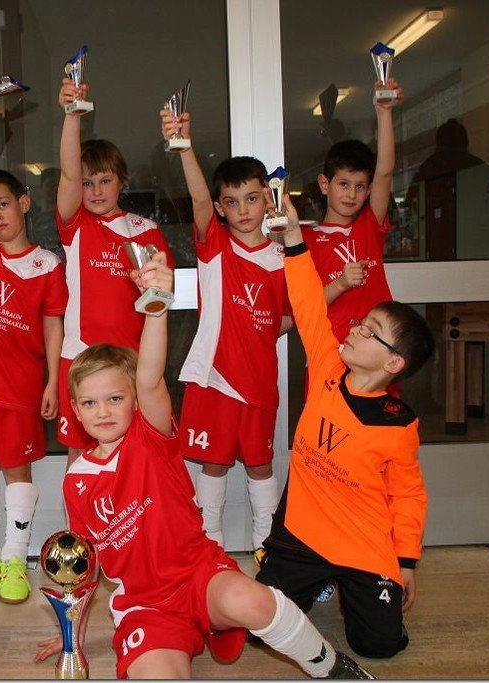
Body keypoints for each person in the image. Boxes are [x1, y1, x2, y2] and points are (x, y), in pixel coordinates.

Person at [36, 252, 372, 680]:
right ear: (75, 411)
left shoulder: (149, 437)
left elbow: (150, 376)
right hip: (146, 607)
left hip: (200, 576)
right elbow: (86, 566)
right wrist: (74, 633)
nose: (102, 411)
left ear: (134, 401)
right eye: (89, 403)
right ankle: (188, 638)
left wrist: (156, 306)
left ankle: (329, 666)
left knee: (252, 601)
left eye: (115, 398)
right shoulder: (76, 483)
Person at [256, 193, 433, 660]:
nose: (355, 329)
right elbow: (308, 304)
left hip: (363, 543)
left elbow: (408, 495)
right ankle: (312, 580)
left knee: (379, 645)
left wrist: (405, 562)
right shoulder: (327, 366)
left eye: (370, 331)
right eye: (361, 323)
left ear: (393, 363)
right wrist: (294, 237)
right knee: (260, 627)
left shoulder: (400, 424)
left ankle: (349, 585)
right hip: (301, 532)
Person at [160, 108, 293, 554]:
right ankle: (210, 547)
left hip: (259, 383)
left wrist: (261, 330)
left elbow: (290, 316)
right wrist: (184, 146)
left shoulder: (283, 257)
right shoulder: (214, 246)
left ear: (268, 200)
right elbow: (198, 200)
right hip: (214, 379)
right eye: (231, 202)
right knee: (213, 466)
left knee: (260, 465)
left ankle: (267, 547)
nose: (243, 210)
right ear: (220, 208)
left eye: (252, 198)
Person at [0, 96, 69, 604]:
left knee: (18, 471)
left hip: (22, 388)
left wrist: (52, 382)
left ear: (23, 203)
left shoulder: (48, 265)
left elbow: (52, 327)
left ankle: (16, 558)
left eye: (2, 204)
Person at [54, 75, 173, 466]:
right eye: (87, 182)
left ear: (122, 181)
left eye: (105, 180)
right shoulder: (75, 224)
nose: (95, 191)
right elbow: (68, 174)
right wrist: (72, 115)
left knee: (137, 450)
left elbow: (160, 298)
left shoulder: (145, 230)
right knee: (81, 452)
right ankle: (82, 510)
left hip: (132, 360)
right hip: (79, 355)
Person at [304, 77, 404, 349]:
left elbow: (384, 172)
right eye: (344, 184)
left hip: (377, 351)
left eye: (360, 186)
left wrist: (384, 112)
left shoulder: (369, 225)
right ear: (324, 184)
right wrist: (341, 283)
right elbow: (305, 308)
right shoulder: (304, 240)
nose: (351, 194)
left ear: (368, 190)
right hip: (331, 352)